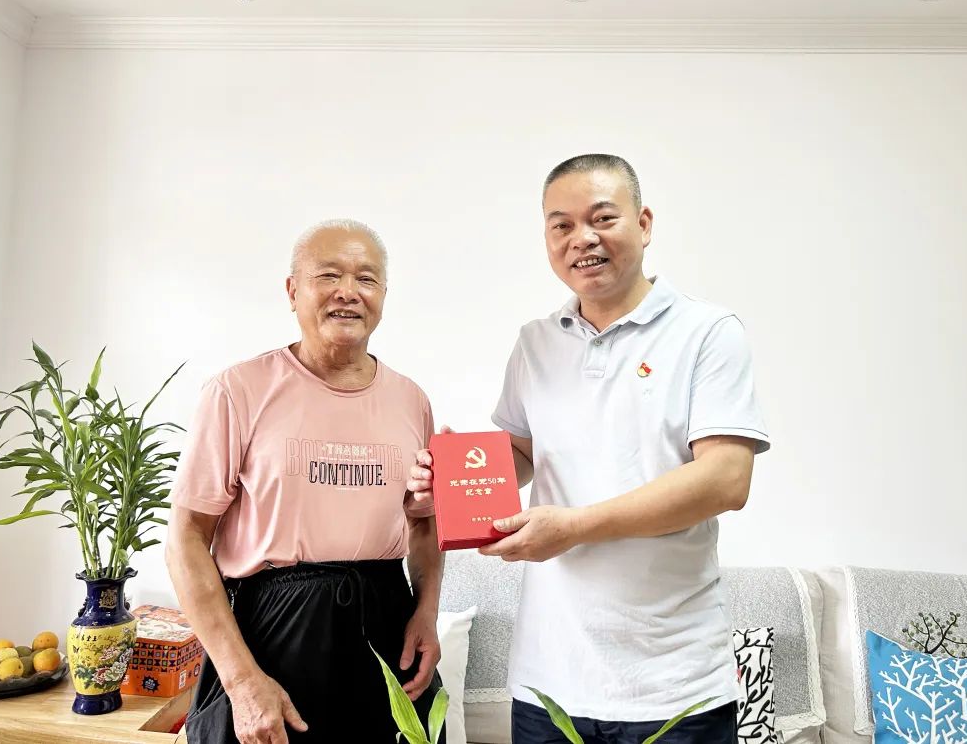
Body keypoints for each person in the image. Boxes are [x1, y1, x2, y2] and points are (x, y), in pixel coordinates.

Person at [409, 155, 769, 743]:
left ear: (644, 224)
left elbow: (726, 480)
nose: (583, 238)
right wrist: (453, 480)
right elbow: (523, 454)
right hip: (548, 684)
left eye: (603, 218)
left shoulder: (707, 332)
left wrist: (574, 527)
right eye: (562, 225)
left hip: (675, 686)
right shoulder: (535, 341)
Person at [167, 219, 445, 744]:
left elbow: (424, 523)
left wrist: (426, 611)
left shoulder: (411, 400)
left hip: (387, 624)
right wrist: (241, 682)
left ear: (384, 296)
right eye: (329, 275)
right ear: (293, 290)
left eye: (366, 278)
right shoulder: (237, 390)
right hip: (272, 632)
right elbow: (186, 539)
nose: (348, 291)